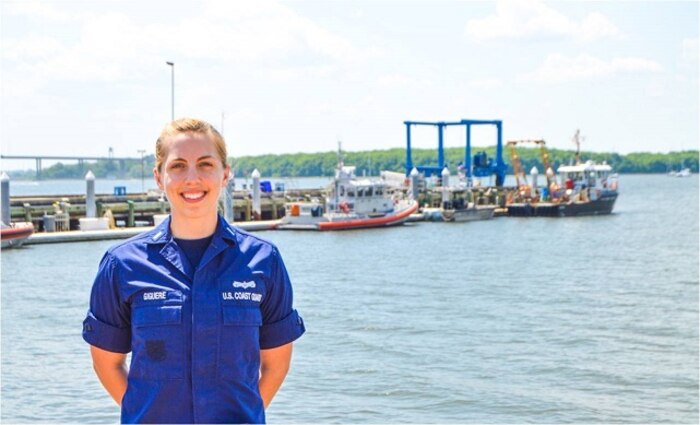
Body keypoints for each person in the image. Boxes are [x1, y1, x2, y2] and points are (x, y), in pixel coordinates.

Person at [82, 118, 305, 424]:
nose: (192, 178)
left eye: (205, 164)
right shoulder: (121, 265)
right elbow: (107, 363)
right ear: (159, 178)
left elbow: (276, 364)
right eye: (177, 166)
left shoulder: (264, 261)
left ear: (225, 174)